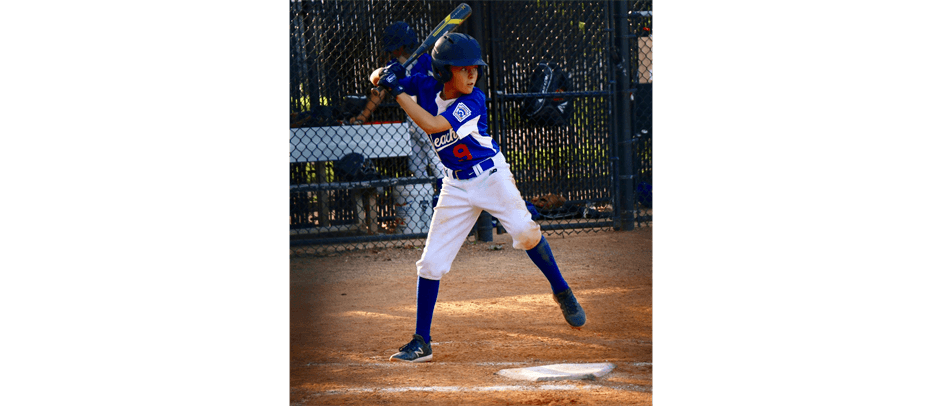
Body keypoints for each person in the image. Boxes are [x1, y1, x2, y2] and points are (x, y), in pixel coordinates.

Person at [375, 33, 586, 363]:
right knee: (430, 263)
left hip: (491, 177)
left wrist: (397, 89)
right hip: (456, 186)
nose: (472, 75)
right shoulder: (426, 86)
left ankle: (561, 290)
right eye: (464, 69)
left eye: (475, 69)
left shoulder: (473, 100)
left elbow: (432, 125)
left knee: (525, 232)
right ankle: (422, 340)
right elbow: (379, 76)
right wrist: (385, 74)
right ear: (445, 72)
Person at [349, 21, 444, 180]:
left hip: (429, 119)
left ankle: (445, 198)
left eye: (395, 47)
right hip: (411, 123)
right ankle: (425, 200)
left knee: (437, 163)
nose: (392, 51)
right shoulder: (392, 66)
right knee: (416, 165)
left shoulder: (426, 61)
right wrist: (363, 116)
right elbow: (379, 91)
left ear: (402, 46)